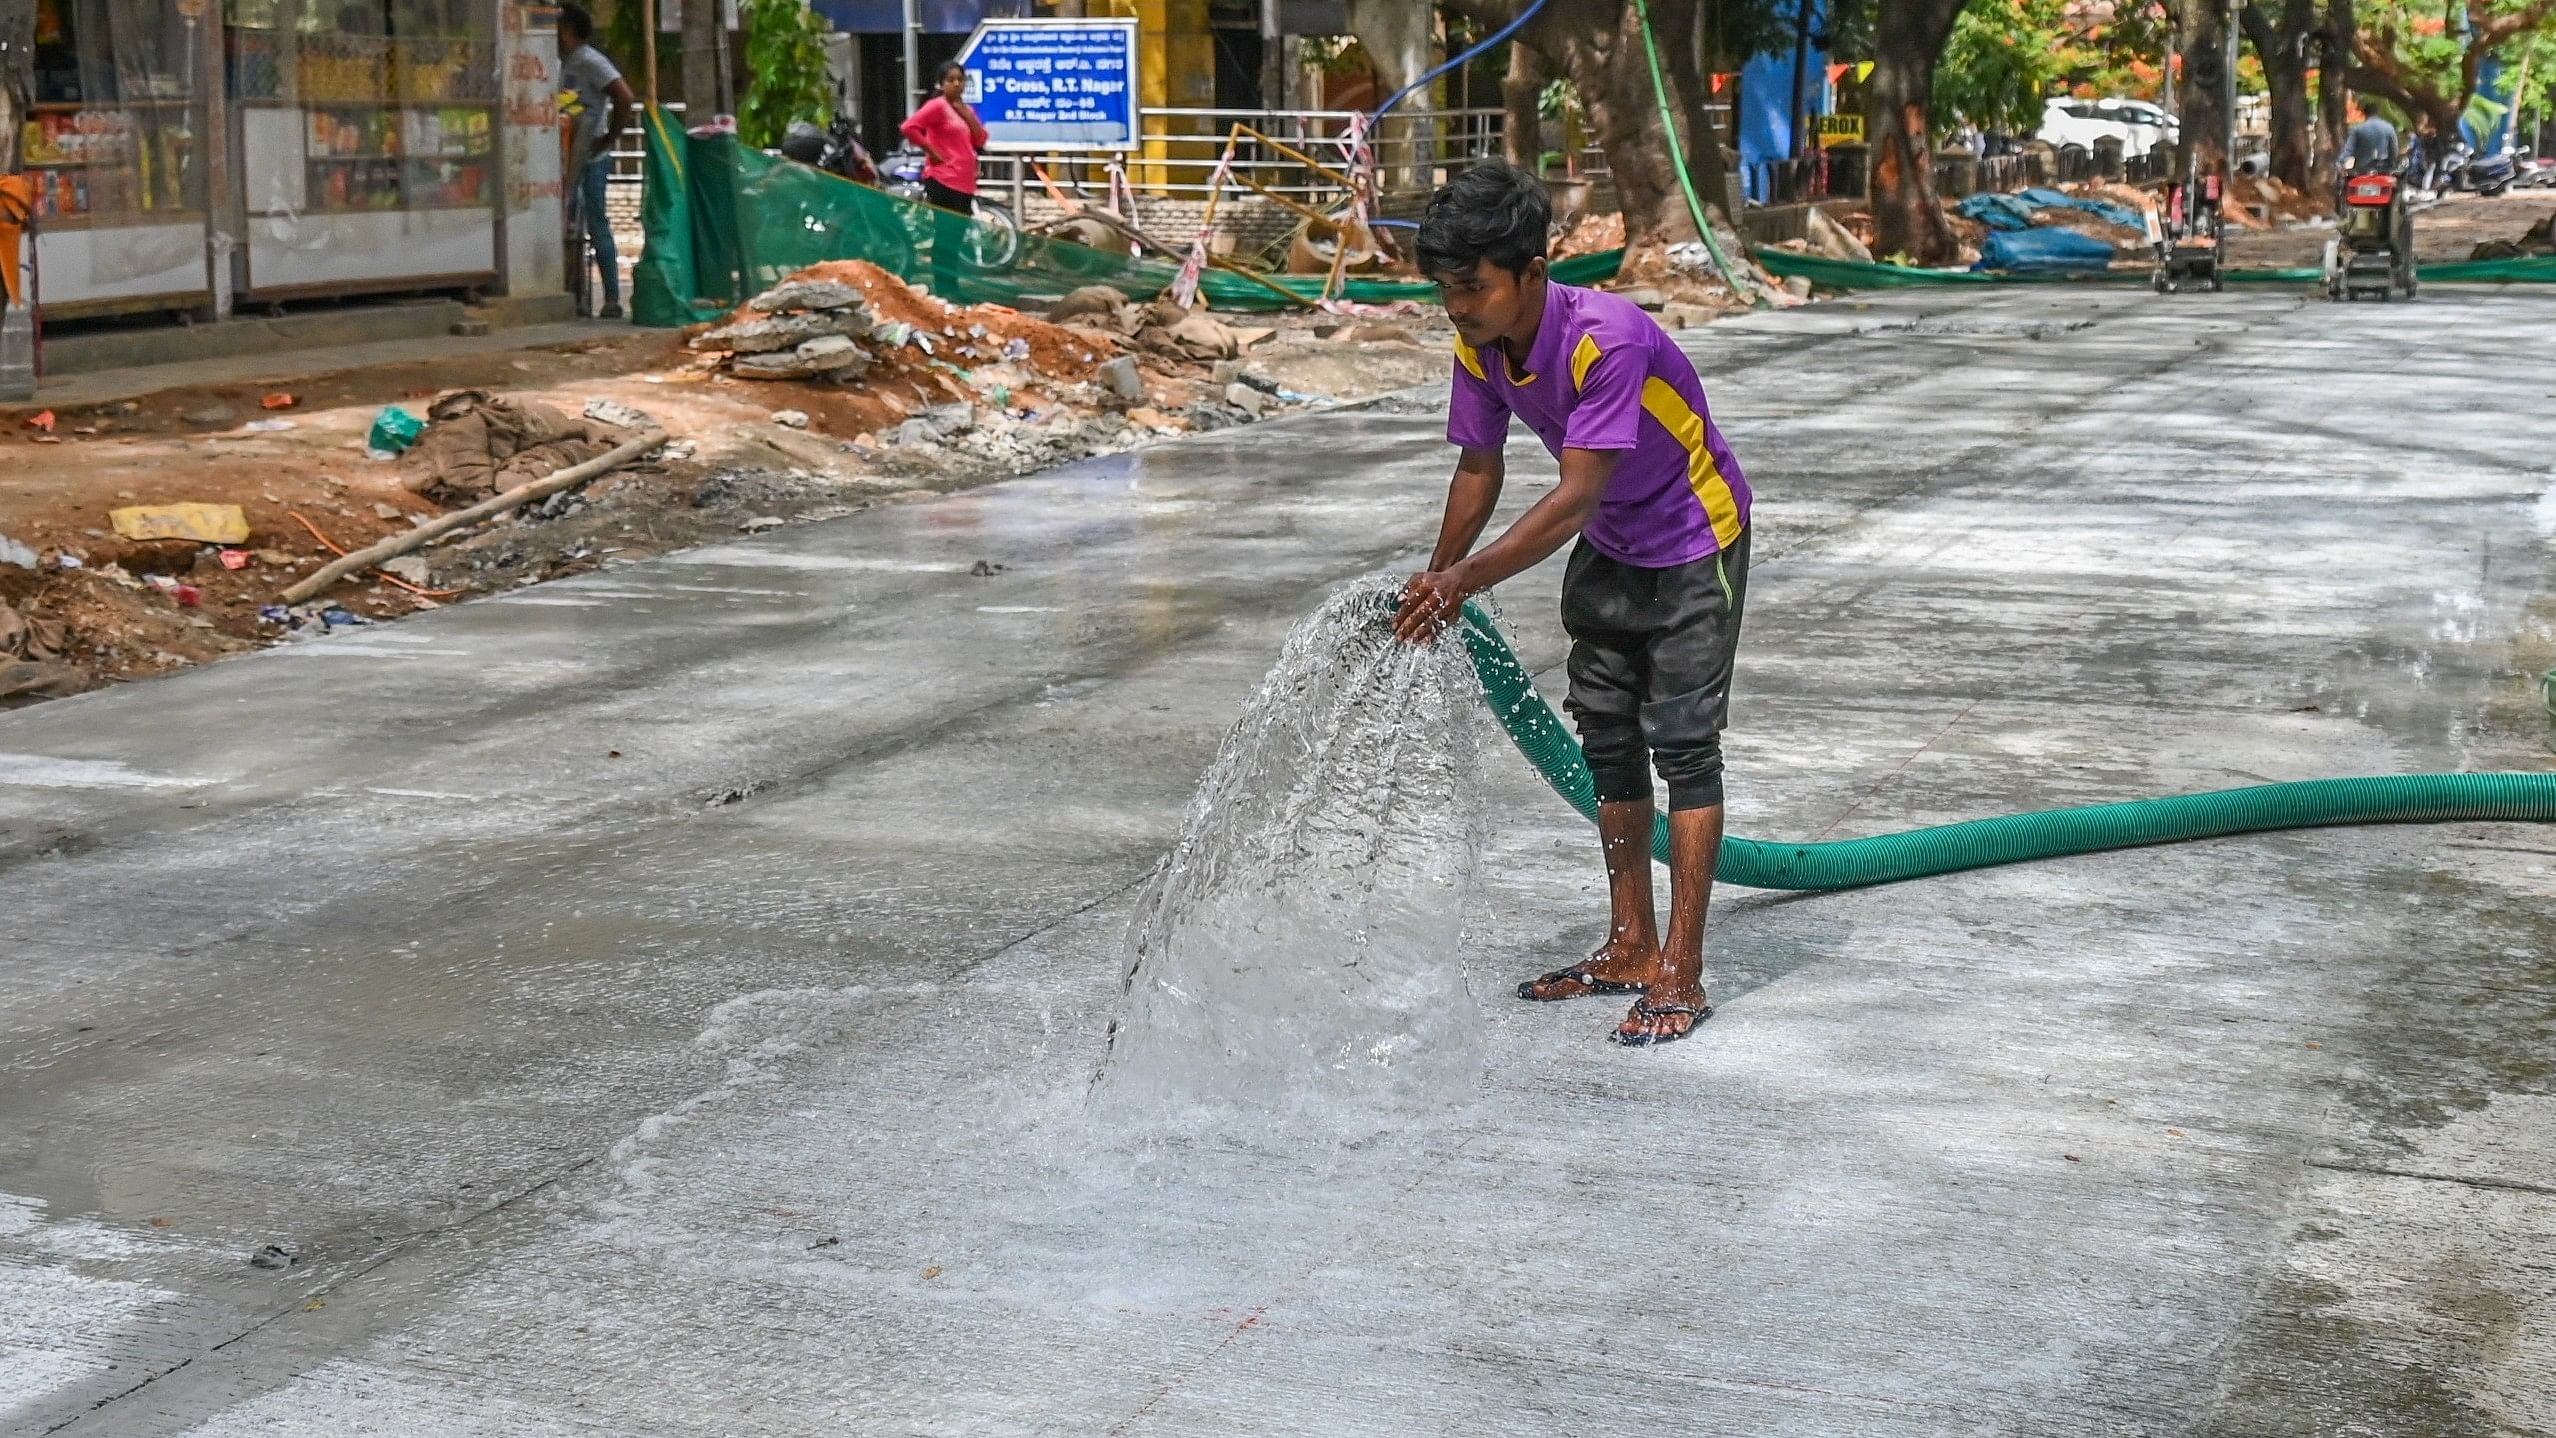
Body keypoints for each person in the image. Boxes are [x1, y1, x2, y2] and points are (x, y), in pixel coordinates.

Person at [1392, 163, 1752, 1049]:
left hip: (1693, 538)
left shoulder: (1607, 338)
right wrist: (1434, 583)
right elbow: (1480, 468)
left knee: (1685, 747)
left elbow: (1577, 494)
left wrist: (1463, 583)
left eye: (1472, 287)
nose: (1458, 307)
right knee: (1607, 732)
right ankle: (1630, 943)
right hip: (1612, 544)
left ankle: (1683, 969)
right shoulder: (1479, 347)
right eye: (1445, 289)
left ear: (1531, 272)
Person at [558, 3, 636, 319]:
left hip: (591, 154)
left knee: (596, 222)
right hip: (567, 153)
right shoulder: (565, 63)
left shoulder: (590, 61)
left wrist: (609, 138)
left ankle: (613, 299)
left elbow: (624, 96)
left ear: (567, 30)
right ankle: (575, 296)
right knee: (571, 225)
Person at [900, 60, 989, 297]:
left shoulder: (965, 109)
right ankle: (945, 288)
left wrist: (965, 114)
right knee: (946, 236)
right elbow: (910, 127)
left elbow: (980, 139)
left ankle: (952, 287)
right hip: (943, 179)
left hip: (964, 181)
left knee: (956, 236)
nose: (957, 84)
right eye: (951, 80)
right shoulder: (937, 106)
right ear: (941, 83)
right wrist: (932, 151)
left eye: (960, 80)